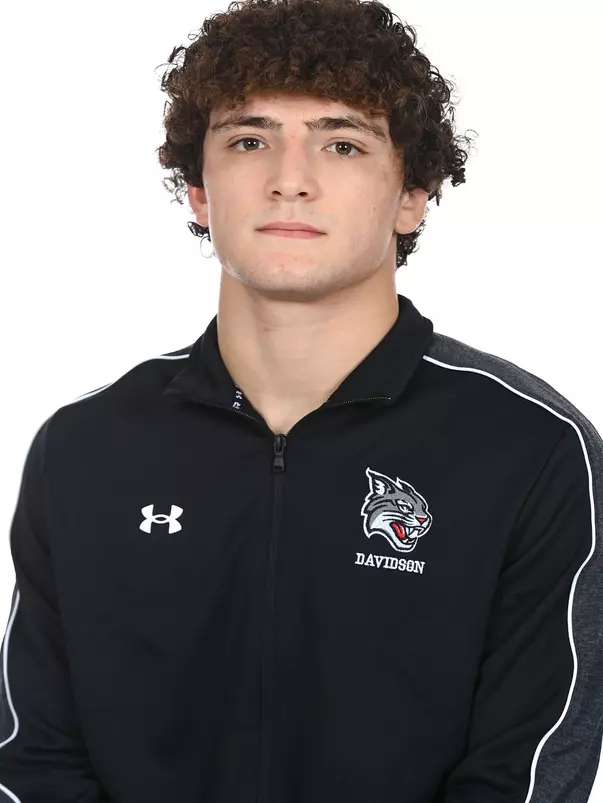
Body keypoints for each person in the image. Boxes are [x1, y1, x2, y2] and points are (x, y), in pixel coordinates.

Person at [1, 0, 602, 801]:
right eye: (248, 140)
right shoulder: (86, 446)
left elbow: (528, 770)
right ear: (200, 193)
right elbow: (31, 753)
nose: (289, 178)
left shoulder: (532, 448)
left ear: (412, 196)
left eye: (342, 142)